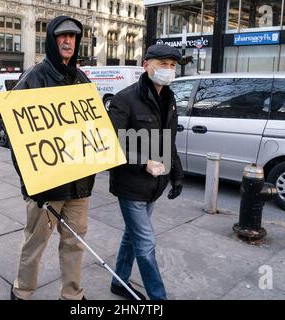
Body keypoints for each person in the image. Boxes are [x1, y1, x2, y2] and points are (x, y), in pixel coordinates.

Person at [10, 16, 95, 301]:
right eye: (62, 36)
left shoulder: (82, 79)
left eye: (73, 36)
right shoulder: (34, 77)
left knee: (75, 243)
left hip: (78, 184)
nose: (68, 40)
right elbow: (16, 133)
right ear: (51, 39)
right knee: (35, 243)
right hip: (46, 185)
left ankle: (72, 295)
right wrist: (30, 182)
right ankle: (22, 292)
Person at [108, 44, 185, 300]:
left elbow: (168, 140)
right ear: (146, 65)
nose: (168, 70)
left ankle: (119, 281)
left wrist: (177, 174)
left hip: (155, 185)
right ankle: (158, 297)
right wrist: (143, 163)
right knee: (145, 241)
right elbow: (112, 144)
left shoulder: (170, 98)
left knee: (132, 235)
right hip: (131, 184)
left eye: (172, 66)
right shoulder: (124, 99)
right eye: (162, 64)